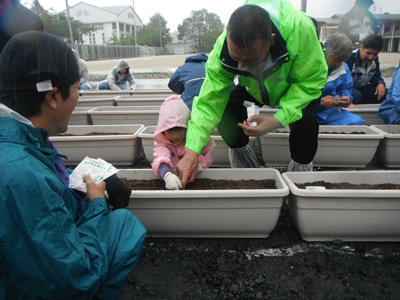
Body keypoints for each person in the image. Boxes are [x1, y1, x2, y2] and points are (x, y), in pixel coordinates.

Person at [0, 31, 146, 300]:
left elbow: (40, 171)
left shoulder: (14, 140)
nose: (79, 97)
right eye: (77, 88)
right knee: (124, 225)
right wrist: (96, 203)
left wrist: (78, 176)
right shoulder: (22, 177)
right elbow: (77, 278)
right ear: (53, 96)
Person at [176, 0, 327, 187]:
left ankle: (299, 181)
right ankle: (247, 171)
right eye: (236, 58)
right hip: (257, 88)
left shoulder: (300, 30)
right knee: (227, 107)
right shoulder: (222, 47)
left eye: (251, 59)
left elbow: (310, 82)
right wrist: (192, 150)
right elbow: (210, 100)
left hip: (292, 87)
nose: (243, 65)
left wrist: (278, 119)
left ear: (271, 41)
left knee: (306, 122)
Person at [152, 95, 215, 190]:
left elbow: (207, 155)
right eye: (170, 131)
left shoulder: (196, 138)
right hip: (174, 176)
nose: (175, 135)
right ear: (163, 130)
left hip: (197, 176)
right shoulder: (163, 142)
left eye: (179, 129)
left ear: (187, 125)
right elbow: (161, 157)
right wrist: (167, 175)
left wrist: (198, 166)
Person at [318, 33, 365, 125]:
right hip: (307, 112)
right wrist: (321, 102)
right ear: (326, 52)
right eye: (337, 59)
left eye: (342, 60)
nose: (339, 63)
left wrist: (346, 99)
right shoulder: (311, 66)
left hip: (329, 112)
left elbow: (345, 89)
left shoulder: (344, 68)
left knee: (357, 122)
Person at [345, 33, 387, 104]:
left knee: (385, 92)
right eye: (368, 53)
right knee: (356, 95)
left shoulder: (375, 60)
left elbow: (376, 76)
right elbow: (341, 82)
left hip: (363, 87)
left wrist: (380, 83)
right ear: (361, 47)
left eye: (375, 54)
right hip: (347, 88)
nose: (371, 57)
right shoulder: (349, 58)